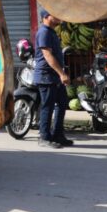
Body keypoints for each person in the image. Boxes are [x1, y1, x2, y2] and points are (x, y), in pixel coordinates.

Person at [34, 8, 73, 148]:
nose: (58, 17)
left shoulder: (51, 32)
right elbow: (48, 56)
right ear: (46, 16)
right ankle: (44, 137)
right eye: (55, 14)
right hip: (46, 76)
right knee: (47, 107)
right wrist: (62, 74)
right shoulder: (43, 32)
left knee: (62, 104)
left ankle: (58, 135)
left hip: (54, 77)